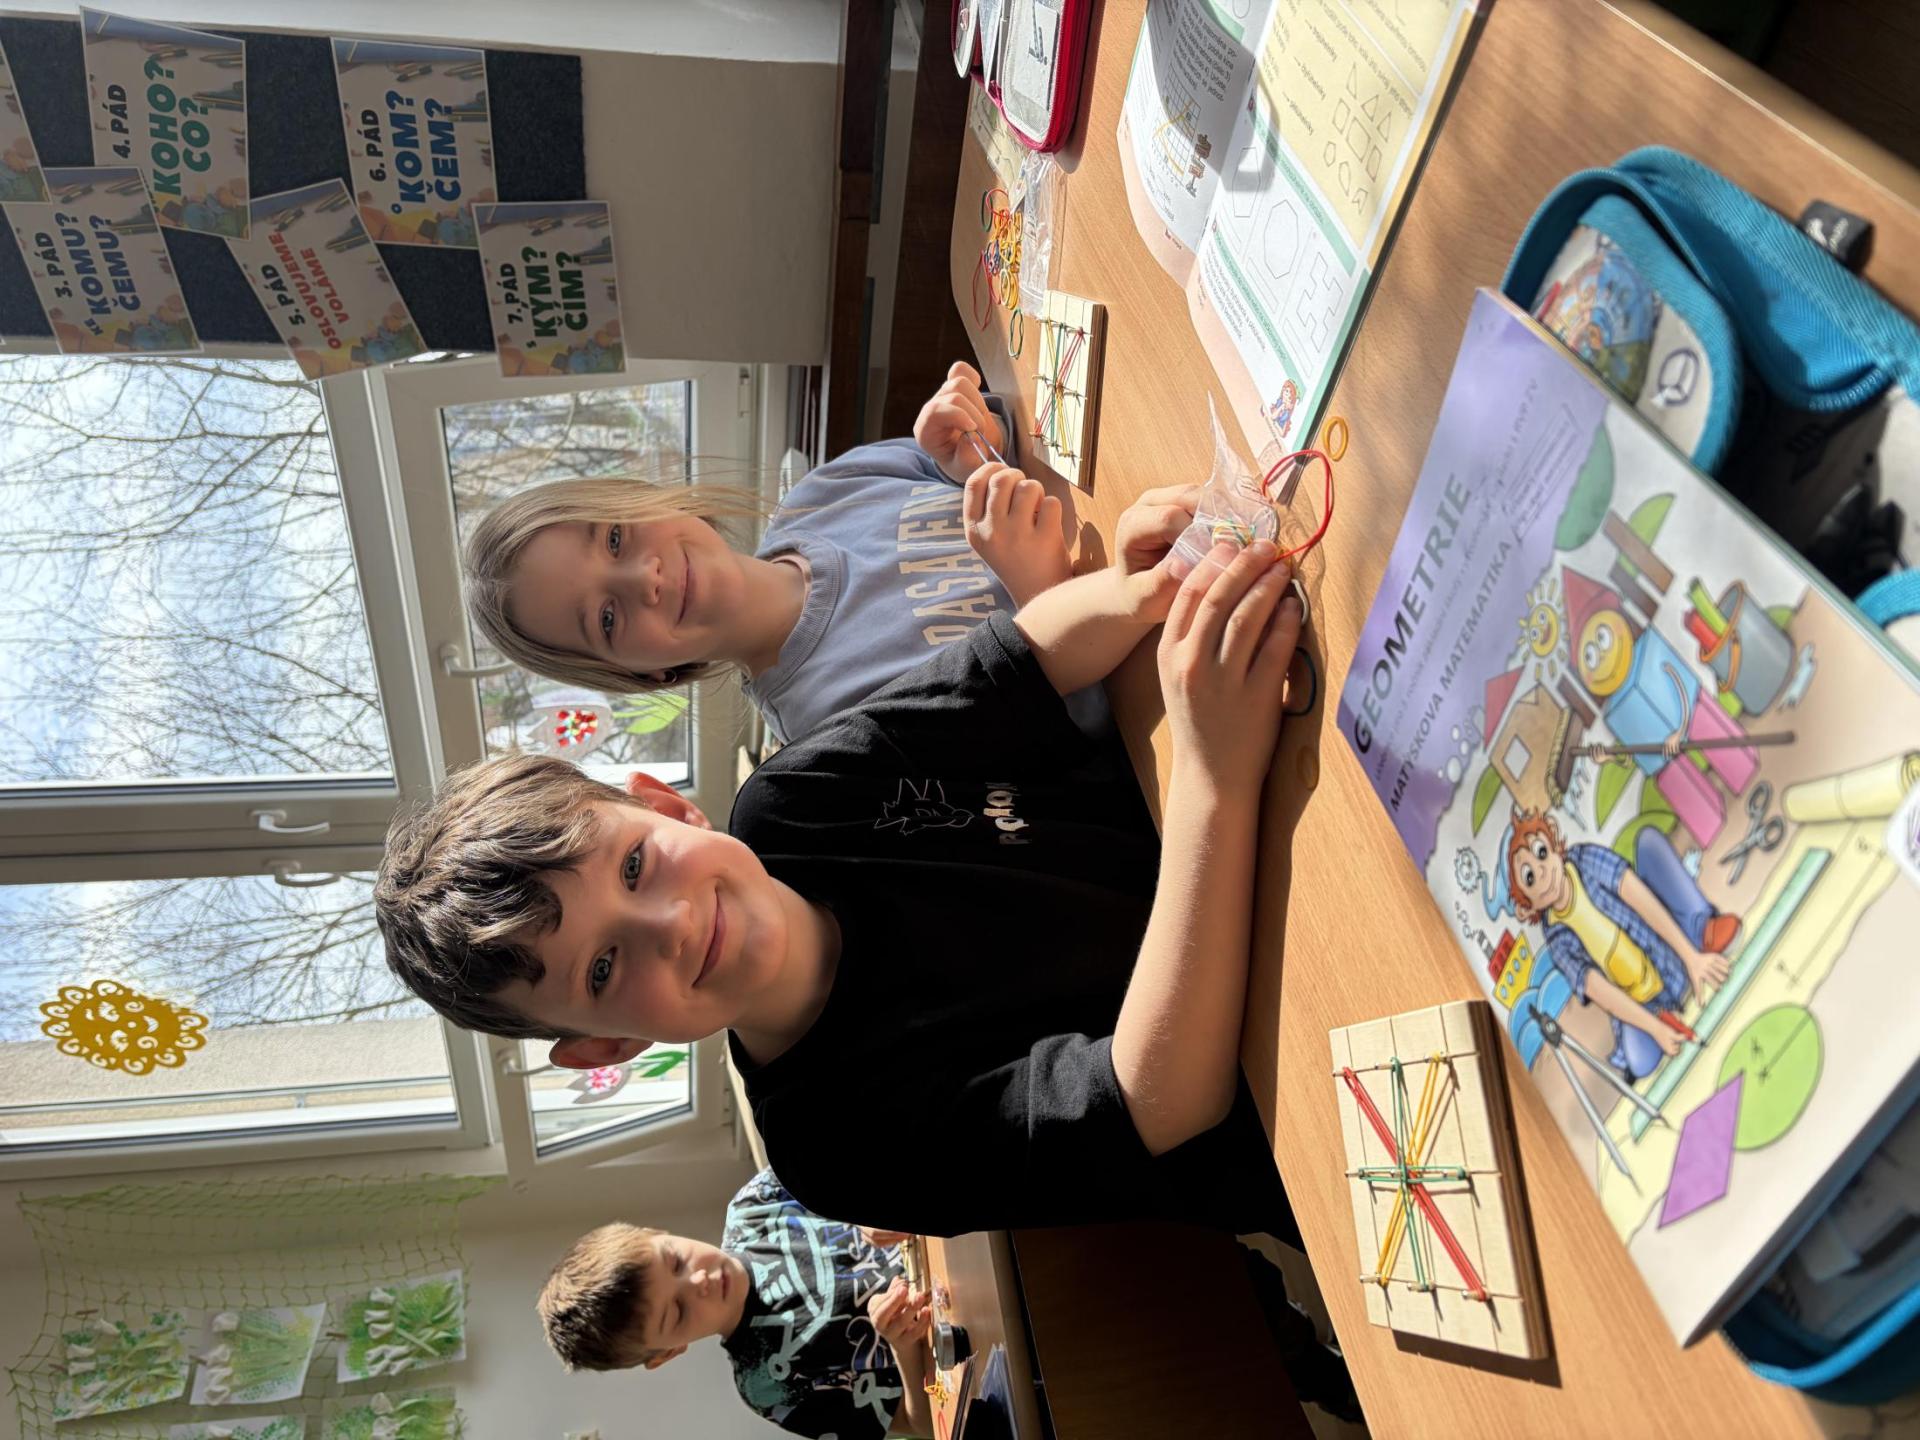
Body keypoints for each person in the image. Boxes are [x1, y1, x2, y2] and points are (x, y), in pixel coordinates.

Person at [377, 496, 1358, 1412]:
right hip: (1310, 1100)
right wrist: (1215, 779)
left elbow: (1023, 659)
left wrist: (1147, 584)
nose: (668, 925)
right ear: (606, 1050)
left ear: (667, 805)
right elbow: (1162, 1097)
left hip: (1299, 856)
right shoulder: (831, 1144)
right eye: (602, 970)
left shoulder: (791, 802)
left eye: (635, 865)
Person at [462, 361, 1078, 743]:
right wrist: (1045, 594)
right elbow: (1081, 749)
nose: (642, 578)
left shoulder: (824, 493)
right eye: (605, 618)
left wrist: (972, 444)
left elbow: (1015, 454)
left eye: (615, 538)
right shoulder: (831, 731)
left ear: (648, 499)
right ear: (643, 676)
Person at [536, 1170, 935, 1439]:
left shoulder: (756, 1203)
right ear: (667, 1353)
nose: (699, 1282)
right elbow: (921, 1426)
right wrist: (903, 1347)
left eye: (675, 1261)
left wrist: (863, 1197)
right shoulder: (767, 1388)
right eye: (678, 1311)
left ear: (656, 1232)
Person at [1505, 806, 1736, 1079]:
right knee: (1641, 1062)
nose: (1542, 873)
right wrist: (1654, 1028)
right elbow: (1599, 989)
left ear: (1554, 842)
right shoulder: (1557, 939)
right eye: (1530, 877)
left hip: (1669, 951)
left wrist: (1690, 957)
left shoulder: (1585, 861)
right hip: (1644, 1004)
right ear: (1526, 907)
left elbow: (1639, 897)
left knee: (1648, 844)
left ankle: (1701, 929)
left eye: (1541, 853)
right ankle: (1662, 1019)